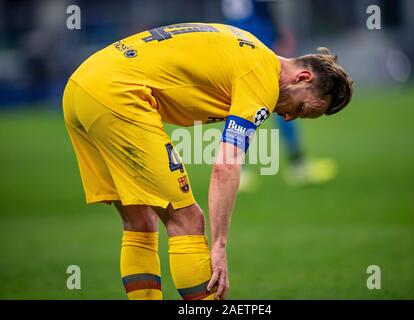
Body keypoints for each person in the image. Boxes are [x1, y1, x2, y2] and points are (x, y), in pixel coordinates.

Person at [62, 22, 353, 300]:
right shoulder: (263, 75)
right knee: (187, 220)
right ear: (303, 78)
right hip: (116, 95)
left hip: (81, 86)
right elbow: (226, 163)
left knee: (140, 219)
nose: (288, 117)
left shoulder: (250, 49)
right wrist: (219, 246)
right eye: (302, 108)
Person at [222, 0, 338, 190]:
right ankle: (297, 164)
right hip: (257, 32)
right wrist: (277, 33)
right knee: (286, 97)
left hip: (235, 32)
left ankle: (238, 168)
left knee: (240, 102)